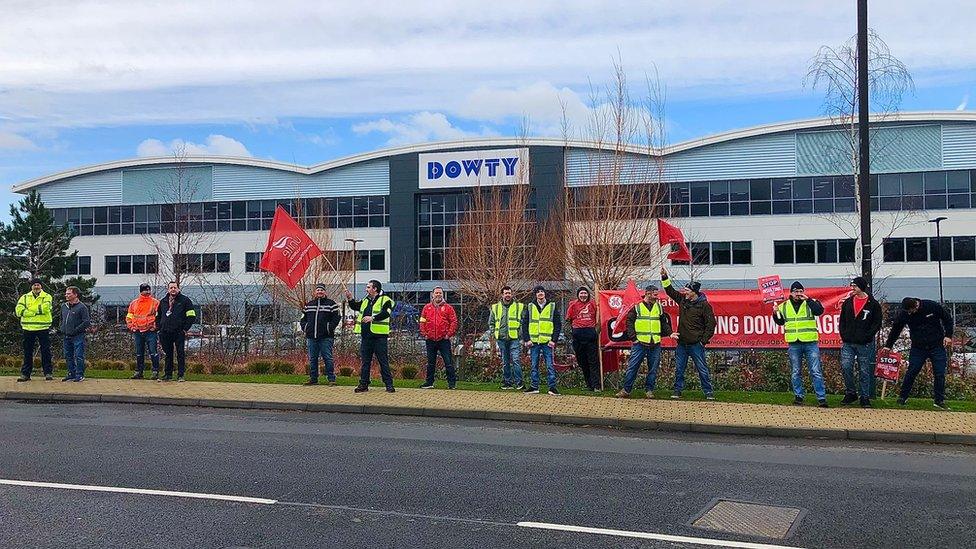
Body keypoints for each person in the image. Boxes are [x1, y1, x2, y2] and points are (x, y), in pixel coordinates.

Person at [882, 297, 954, 409]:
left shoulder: (931, 306)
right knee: (912, 371)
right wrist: (888, 345)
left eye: (911, 311)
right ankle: (903, 397)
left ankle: (939, 400)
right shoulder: (904, 314)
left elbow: (947, 319)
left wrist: (948, 335)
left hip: (936, 345)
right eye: (908, 312)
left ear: (916, 305)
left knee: (939, 373)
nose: (910, 313)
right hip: (918, 347)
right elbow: (896, 329)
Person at [660, 267, 715, 400]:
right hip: (682, 344)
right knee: (679, 369)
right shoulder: (683, 300)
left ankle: (708, 392)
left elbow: (711, 324)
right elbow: (670, 291)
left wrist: (703, 341)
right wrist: (664, 277)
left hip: (696, 344)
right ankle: (677, 391)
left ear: (694, 292)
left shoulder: (704, 306)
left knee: (702, 369)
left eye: (687, 291)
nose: (684, 292)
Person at [773, 281, 828, 408]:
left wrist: (808, 300)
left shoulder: (811, 302)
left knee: (815, 371)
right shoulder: (784, 306)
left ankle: (821, 398)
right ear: (791, 293)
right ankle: (798, 396)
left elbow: (819, 311)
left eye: (800, 291)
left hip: (810, 342)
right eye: (796, 292)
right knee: (796, 371)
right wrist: (775, 312)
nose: (798, 294)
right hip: (794, 343)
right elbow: (780, 322)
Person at [838, 276, 882, 408]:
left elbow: (877, 323)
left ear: (861, 287)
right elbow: (842, 321)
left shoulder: (873, 304)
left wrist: (867, 336)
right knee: (846, 367)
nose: (853, 288)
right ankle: (851, 392)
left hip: (864, 343)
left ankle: (865, 397)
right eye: (852, 286)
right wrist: (844, 335)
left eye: (855, 286)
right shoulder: (848, 302)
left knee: (864, 370)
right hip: (848, 342)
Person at [346, 280, 395, 393]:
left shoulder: (386, 300)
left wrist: (372, 318)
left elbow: (386, 313)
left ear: (375, 289)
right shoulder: (366, 300)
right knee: (365, 362)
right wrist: (350, 298)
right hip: (366, 336)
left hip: (379, 337)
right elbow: (356, 306)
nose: (366, 289)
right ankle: (363, 384)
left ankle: (389, 384)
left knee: (383, 361)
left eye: (368, 287)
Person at [617, 285, 664, 398]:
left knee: (653, 369)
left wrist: (670, 332)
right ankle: (626, 390)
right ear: (648, 293)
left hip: (655, 343)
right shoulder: (637, 306)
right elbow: (629, 323)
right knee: (633, 367)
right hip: (640, 343)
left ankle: (649, 391)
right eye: (655, 294)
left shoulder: (659, 307)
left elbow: (664, 323)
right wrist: (634, 339)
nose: (657, 296)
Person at [521, 285, 562, 395]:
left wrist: (554, 340)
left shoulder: (552, 306)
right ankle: (534, 387)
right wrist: (527, 339)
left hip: (547, 342)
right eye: (538, 292)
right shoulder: (530, 306)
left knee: (550, 365)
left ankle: (552, 388)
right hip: (534, 342)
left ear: (545, 293)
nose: (540, 293)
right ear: (535, 294)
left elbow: (558, 325)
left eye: (542, 291)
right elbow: (524, 324)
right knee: (534, 365)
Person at [155, 281, 196, 382]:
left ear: (178, 289)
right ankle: (168, 374)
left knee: (180, 353)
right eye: (171, 288)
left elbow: (191, 316)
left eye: (175, 287)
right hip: (165, 332)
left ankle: (180, 375)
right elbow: (158, 316)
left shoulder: (185, 301)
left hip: (178, 332)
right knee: (168, 354)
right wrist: (159, 327)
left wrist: (185, 329)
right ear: (168, 289)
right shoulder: (163, 301)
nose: (173, 289)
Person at [301, 283, 341, 386]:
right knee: (313, 358)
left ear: (325, 292)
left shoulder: (331, 304)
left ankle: (331, 379)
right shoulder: (309, 304)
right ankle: (313, 379)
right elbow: (303, 319)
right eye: (318, 290)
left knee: (327, 358)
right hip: (311, 337)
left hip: (326, 337)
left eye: (322, 290)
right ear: (315, 292)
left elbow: (337, 318)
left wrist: (329, 328)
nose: (320, 292)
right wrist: (305, 328)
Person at [419, 286, 458, 389]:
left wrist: (448, 334)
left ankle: (451, 383)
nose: (438, 295)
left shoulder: (448, 308)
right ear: (432, 295)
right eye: (436, 293)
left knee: (448, 362)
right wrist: (425, 334)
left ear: (443, 294)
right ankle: (429, 382)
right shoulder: (426, 308)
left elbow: (453, 322)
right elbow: (422, 322)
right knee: (430, 363)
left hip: (443, 340)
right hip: (430, 339)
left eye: (440, 293)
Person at [15, 278, 54, 382]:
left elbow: (45, 308)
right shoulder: (24, 297)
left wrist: (28, 310)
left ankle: (48, 373)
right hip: (28, 328)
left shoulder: (47, 296)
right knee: (27, 352)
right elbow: (18, 311)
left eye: (38, 285)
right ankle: (25, 374)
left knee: (46, 351)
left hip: (43, 327)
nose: (36, 287)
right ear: (31, 286)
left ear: (41, 286)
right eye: (34, 285)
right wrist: (36, 311)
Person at [489, 286, 525, 390]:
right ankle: (507, 383)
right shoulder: (495, 307)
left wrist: (520, 333)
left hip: (514, 338)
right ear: (502, 295)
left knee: (516, 360)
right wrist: (495, 334)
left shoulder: (519, 306)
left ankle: (519, 383)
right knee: (505, 362)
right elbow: (491, 323)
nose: (507, 295)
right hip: (501, 339)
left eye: (509, 293)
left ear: (512, 294)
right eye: (505, 293)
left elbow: (523, 321)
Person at [566, 286, 600, 391]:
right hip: (578, 336)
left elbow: (599, 317)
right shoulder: (573, 305)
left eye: (585, 293)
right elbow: (568, 319)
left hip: (590, 335)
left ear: (588, 294)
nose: (583, 295)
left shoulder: (593, 304)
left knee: (593, 361)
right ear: (578, 295)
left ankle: (596, 385)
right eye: (581, 293)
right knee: (582, 362)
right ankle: (589, 385)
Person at [127, 283, 160, 380]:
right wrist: (131, 326)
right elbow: (129, 316)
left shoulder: (155, 302)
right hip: (137, 331)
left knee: (153, 352)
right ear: (141, 291)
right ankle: (139, 372)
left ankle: (155, 372)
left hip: (150, 331)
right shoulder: (134, 303)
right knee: (139, 353)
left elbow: (159, 316)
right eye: (146, 290)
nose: (148, 292)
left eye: (149, 290)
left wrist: (155, 326)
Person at [59, 286, 90, 382]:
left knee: (79, 355)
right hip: (66, 335)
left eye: (69, 293)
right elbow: (61, 319)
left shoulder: (82, 307)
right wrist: (61, 328)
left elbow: (86, 322)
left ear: (75, 294)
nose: (66, 295)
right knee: (68, 355)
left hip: (78, 336)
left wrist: (76, 330)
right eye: (66, 293)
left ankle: (79, 374)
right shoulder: (64, 306)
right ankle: (71, 373)